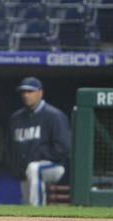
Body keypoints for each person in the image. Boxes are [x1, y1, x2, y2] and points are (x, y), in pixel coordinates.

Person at [6, 76, 71, 206]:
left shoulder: (54, 116)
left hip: (55, 166)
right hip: (26, 167)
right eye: (23, 92)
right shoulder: (16, 118)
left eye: (30, 91)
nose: (26, 95)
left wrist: (37, 155)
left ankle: (38, 212)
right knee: (26, 199)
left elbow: (63, 147)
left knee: (34, 168)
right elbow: (10, 146)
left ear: (40, 93)